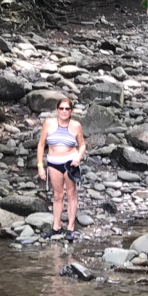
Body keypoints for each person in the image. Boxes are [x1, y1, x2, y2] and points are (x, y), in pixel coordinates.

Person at [37, 96, 86, 239]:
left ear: (71, 111)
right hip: (53, 163)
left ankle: (70, 227)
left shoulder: (76, 125)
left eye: (67, 109)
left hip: (70, 163)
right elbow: (41, 145)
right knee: (57, 195)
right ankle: (56, 227)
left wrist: (79, 157)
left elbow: (82, 145)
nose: (64, 111)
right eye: (61, 108)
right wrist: (40, 166)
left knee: (71, 194)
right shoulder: (48, 123)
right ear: (57, 110)